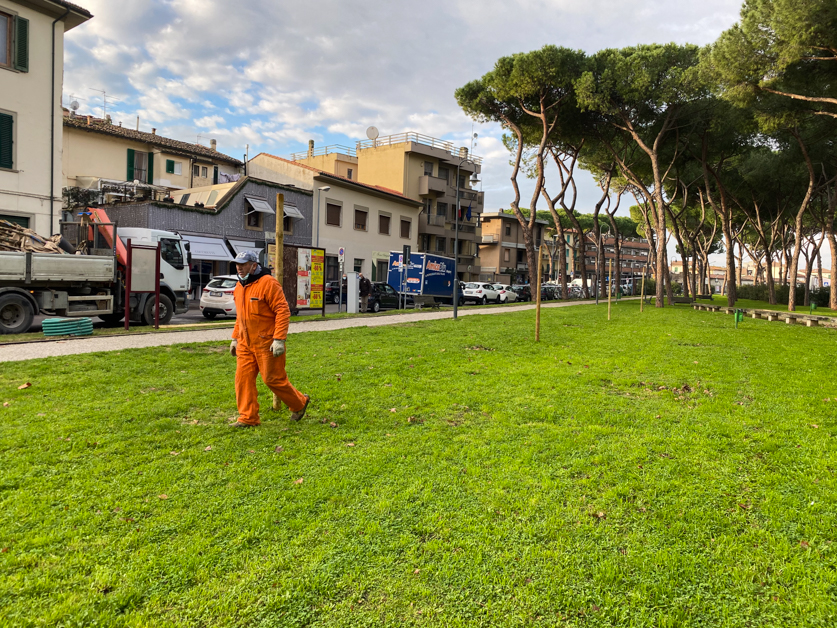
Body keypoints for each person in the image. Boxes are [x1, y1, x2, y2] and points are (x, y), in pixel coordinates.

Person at [229, 251, 310, 428]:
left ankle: (299, 403)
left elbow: (282, 311)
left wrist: (279, 339)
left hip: (266, 343)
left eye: (243, 264)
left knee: (273, 379)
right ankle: (247, 418)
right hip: (245, 343)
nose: (239, 267)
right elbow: (241, 317)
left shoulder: (268, 283)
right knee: (242, 380)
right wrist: (235, 338)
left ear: (254, 265)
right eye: (237, 264)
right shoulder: (239, 287)